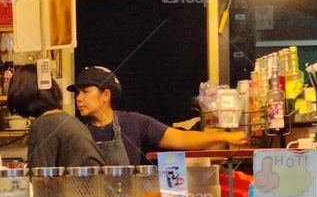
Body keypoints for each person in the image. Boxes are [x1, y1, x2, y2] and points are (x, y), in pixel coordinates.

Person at [68, 65, 248, 164]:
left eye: (85, 91)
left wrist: (225, 137)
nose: (79, 98)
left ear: (106, 95)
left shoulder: (134, 123)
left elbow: (181, 138)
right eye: (77, 93)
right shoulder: (76, 131)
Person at [7, 64, 104, 168]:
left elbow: (39, 174)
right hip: (91, 178)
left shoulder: (44, 124)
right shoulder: (65, 120)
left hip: (80, 179)